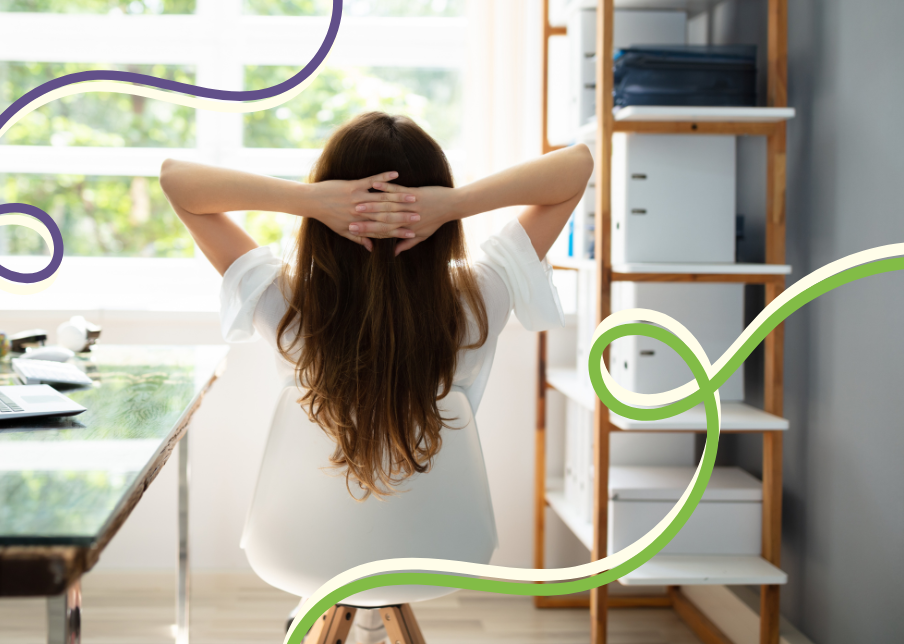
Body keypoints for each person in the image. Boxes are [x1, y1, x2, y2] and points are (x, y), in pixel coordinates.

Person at [159, 111, 591, 640]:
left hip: (302, 549)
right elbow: (577, 165)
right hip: (438, 548)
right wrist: (453, 204)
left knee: (338, 517)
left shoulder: (289, 304)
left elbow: (176, 179)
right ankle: (369, 618)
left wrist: (313, 201)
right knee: (385, 520)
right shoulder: (479, 298)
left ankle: (355, 608)